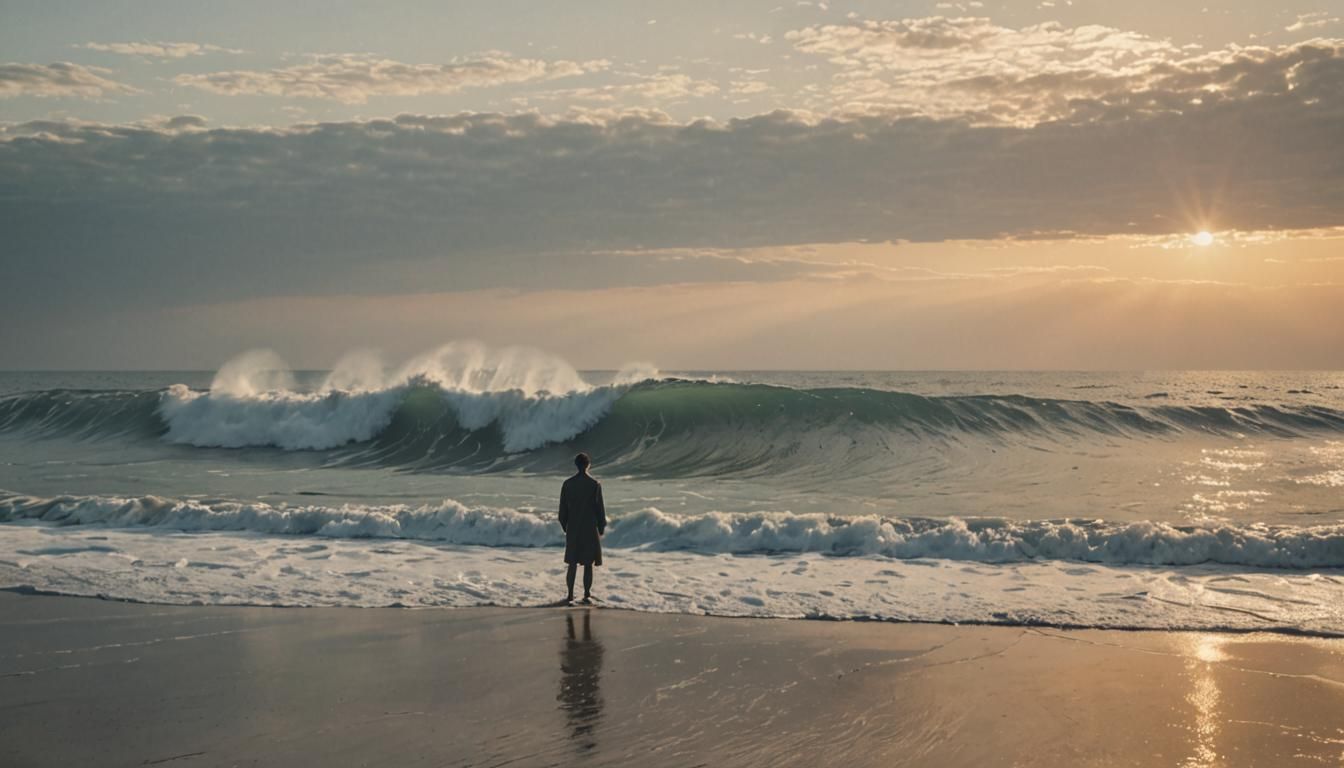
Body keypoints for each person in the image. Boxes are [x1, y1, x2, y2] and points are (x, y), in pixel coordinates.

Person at [559, 451, 606, 605]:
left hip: (573, 528)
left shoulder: (567, 484)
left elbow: (562, 513)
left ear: (576, 465)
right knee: (588, 563)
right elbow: (600, 510)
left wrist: (567, 527)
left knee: (572, 564)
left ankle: (570, 595)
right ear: (588, 465)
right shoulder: (594, 484)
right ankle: (586, 594)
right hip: (589, 529)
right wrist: (601, 527)